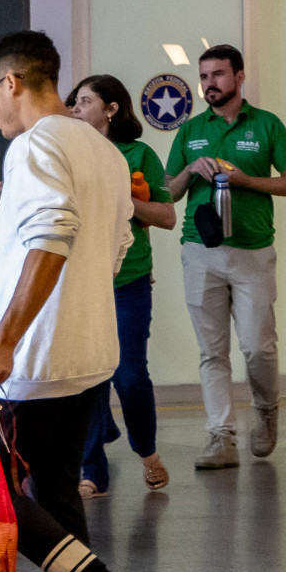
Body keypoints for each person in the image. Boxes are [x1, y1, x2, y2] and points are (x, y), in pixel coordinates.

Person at [0, 32, 154, 572]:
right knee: (54, 493)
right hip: (89, 354)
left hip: (34, 362)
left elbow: (52, 236)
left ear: (12, 82)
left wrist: (4, 340)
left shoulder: (34, 145)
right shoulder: (102, 150)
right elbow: (117, 242)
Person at [163, 44, 286, 471]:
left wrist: (245, 180)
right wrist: (189, 171)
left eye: (218, 74)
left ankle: (267, 411)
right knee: (212, 351)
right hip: (200, 250)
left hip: (253, 251)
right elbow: (168, 193)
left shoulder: (267, 124)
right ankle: (221, 437)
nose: (209, 84)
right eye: (204, 77)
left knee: (258, 348)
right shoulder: (190, 130)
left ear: (239, 77)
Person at [65, 75, 174, 494]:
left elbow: (166, 216)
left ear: (111, 109)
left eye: (85, 100)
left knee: (128, 376)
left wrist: (122, 201)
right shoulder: (70, 152)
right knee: (89, 376)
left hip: (129, 282)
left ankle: (147, 451)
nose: (75, 108)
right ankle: (93, 470)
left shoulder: (139, 154)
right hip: (83, 281)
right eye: (74, 101)